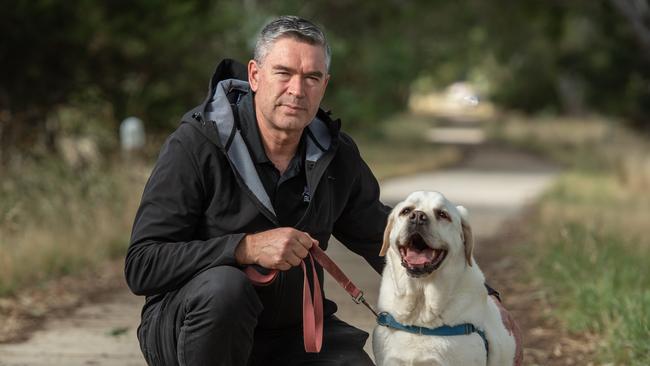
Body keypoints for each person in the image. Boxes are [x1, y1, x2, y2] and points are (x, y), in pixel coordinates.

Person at [125, 15, 390, 366]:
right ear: (255, 75)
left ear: (324, 85)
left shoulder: (337, 155)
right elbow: (143, 265)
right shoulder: (196, 144)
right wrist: (244, 247)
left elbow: (387, 241)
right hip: (197, 327)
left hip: (291, 334)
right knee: (225, 290)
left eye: (311, 77)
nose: (297, 90)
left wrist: (481, 295)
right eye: (284, 73)